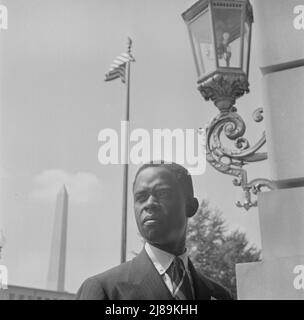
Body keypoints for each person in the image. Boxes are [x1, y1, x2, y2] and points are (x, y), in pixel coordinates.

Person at [76, 161, 232, 300]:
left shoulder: (219, 295)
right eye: (141, 197)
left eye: (163, 193)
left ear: (191, 206)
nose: (149, 204)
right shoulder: (104, 290)